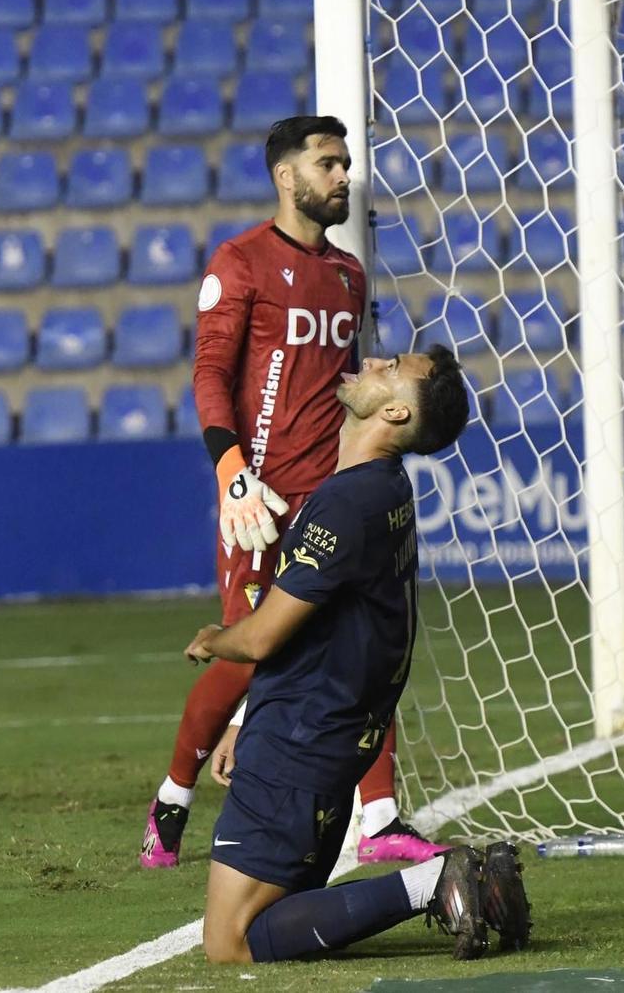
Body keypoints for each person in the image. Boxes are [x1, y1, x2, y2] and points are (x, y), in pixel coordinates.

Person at [141, 115, 445, 869]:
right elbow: (210, 374)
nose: (343, 176)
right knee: (248, 652)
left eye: (345, 164)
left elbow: (346, 384)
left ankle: (380, 818)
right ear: (286, 176)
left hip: (334, 492)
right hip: (260, 499)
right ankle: (172, 800)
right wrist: (232, 474)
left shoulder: (348, 275)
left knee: (362, 644)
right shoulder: (240, 261)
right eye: (328, 164)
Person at [187, 346, 531, 963]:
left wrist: (215, 639)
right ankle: (480, 887)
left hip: (299, 742)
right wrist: (246, 718)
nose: (372, 360)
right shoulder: (383, 488)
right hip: (329, 737)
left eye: (391, 367)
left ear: (396, 412)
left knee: (230, 941)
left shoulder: (347, 504)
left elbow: (263, 636)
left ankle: (437, 881)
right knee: (279, 916)